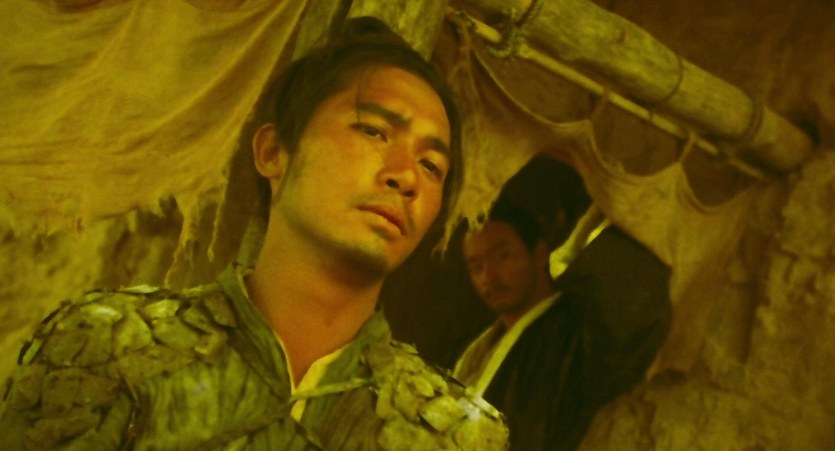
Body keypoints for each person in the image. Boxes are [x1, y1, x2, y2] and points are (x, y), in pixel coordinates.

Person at [0, 17, 508, 450]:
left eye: (432, 164)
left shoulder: (454, 436)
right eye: (374, 131)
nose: (406, 176)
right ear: (273, 153)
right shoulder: (108, 348)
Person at [455, 200, 672, 451]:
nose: (488, 277)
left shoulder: (574, 335)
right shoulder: (478, 348)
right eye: (476, 267)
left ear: (538, 254)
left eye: (503, 256)